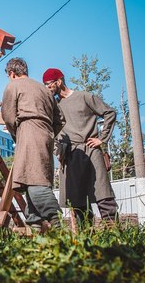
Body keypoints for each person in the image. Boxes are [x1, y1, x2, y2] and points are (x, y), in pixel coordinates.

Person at [42, 67, 118, 225]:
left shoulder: (84, 97)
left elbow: (109, 113)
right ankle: (86, 240)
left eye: (49, 84)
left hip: (90, 151)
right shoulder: (54, 106)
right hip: (69, 156)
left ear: (59, 81)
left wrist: (102, 139)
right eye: (45, 85)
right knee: (77, 202)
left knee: (103, 195)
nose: (47, 88)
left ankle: (115, 235)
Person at [1, 58, 65, 229]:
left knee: (36, 183)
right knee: (33, 177)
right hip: (46, 134)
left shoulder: (12, 85)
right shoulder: (44, 90)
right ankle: (35, 230)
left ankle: (57, 224)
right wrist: (47, 133)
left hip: (28, 131)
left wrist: (19, 135)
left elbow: (8, 116)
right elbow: (60, 120)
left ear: (12, 73)